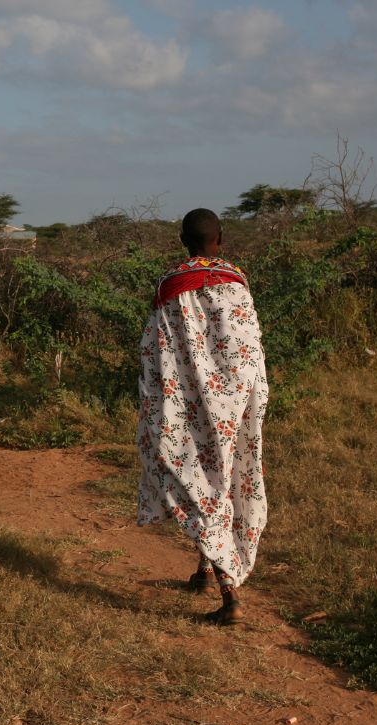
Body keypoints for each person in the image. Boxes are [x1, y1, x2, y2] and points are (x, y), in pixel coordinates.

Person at [136, 208, 268, 625]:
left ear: (181, 240)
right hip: (237, 400)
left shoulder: (172, 286)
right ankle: (204, 571)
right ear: (221, 238)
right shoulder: (238, 282)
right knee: (225, 471)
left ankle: (231, 596)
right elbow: (252, 349)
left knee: (196, 475)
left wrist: (160, 405)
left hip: (190, 399)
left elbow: (157, 352)